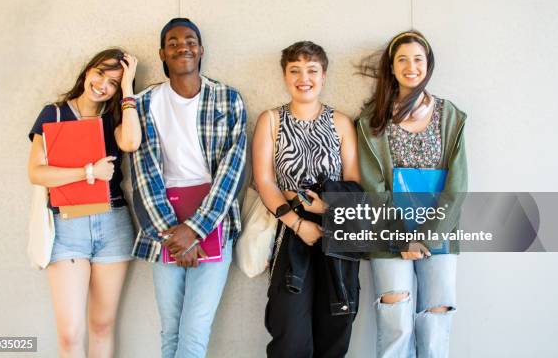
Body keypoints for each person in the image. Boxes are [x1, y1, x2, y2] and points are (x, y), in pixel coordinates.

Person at [125, 18, 247, 358]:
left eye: (190, 39)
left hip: (213, 218)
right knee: (171, 331)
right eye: (174, 41)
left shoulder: (227, 99)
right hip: (162, 221)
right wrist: (173, 233)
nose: (183, 46)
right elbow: (143, 171)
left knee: (194, 332)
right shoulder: (144, 103)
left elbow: (232, 170)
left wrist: (194, 230)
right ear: (162, 53)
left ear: (201, 49)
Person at [356, 30, 468, 358]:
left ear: (428, 65)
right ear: (391, 68)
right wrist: (402, 237)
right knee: (396, 324)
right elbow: (372, 187)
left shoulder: (451, 117)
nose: (411, 66)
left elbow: (458, 186)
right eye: (402, 59)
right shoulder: (371, 121)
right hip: (389, 233)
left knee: (435, 326)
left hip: (441, 233)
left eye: (418, 59)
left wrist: (428, 237)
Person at [28, 48, 140, 357]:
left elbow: (130, 142)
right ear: (87, 71)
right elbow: (37, 173)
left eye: (114, 82)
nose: (103, 84)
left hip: (113, 224)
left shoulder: (115, 116)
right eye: (100, 73)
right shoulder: (54, 113)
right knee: (70, 334)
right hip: (68, 227)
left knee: (102, 326)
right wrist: (88, 172)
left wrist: (129, 90)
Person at [253, 41, 361, 358]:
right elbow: (264, 181)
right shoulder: (271, 120)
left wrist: (325, 208)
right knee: (289, 336)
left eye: (312, 70)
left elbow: (354, 184)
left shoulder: (341, 122)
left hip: (336, 231)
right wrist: (299, 223)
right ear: (286, 76)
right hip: (290, 231)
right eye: (295, 70)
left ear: (323, 75)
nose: (304, 78)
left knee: (335, 330)